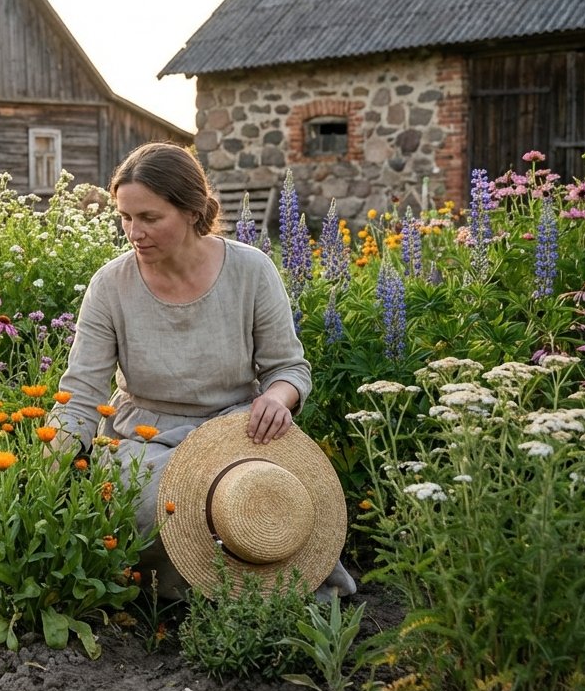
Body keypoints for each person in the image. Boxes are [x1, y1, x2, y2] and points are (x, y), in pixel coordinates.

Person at [49, 141, 356, 601]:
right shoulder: (110, 285)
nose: (135, 232)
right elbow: (81, 390)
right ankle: (198, 598)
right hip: (144, 436)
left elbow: (289, 368)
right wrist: (48, 466)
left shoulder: (251, 270)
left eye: (150, 218)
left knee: (265, 502)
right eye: (126, 217)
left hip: (238, 428)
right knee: (157, 505)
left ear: (193, 211)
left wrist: (276, 398)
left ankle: (269, 589)